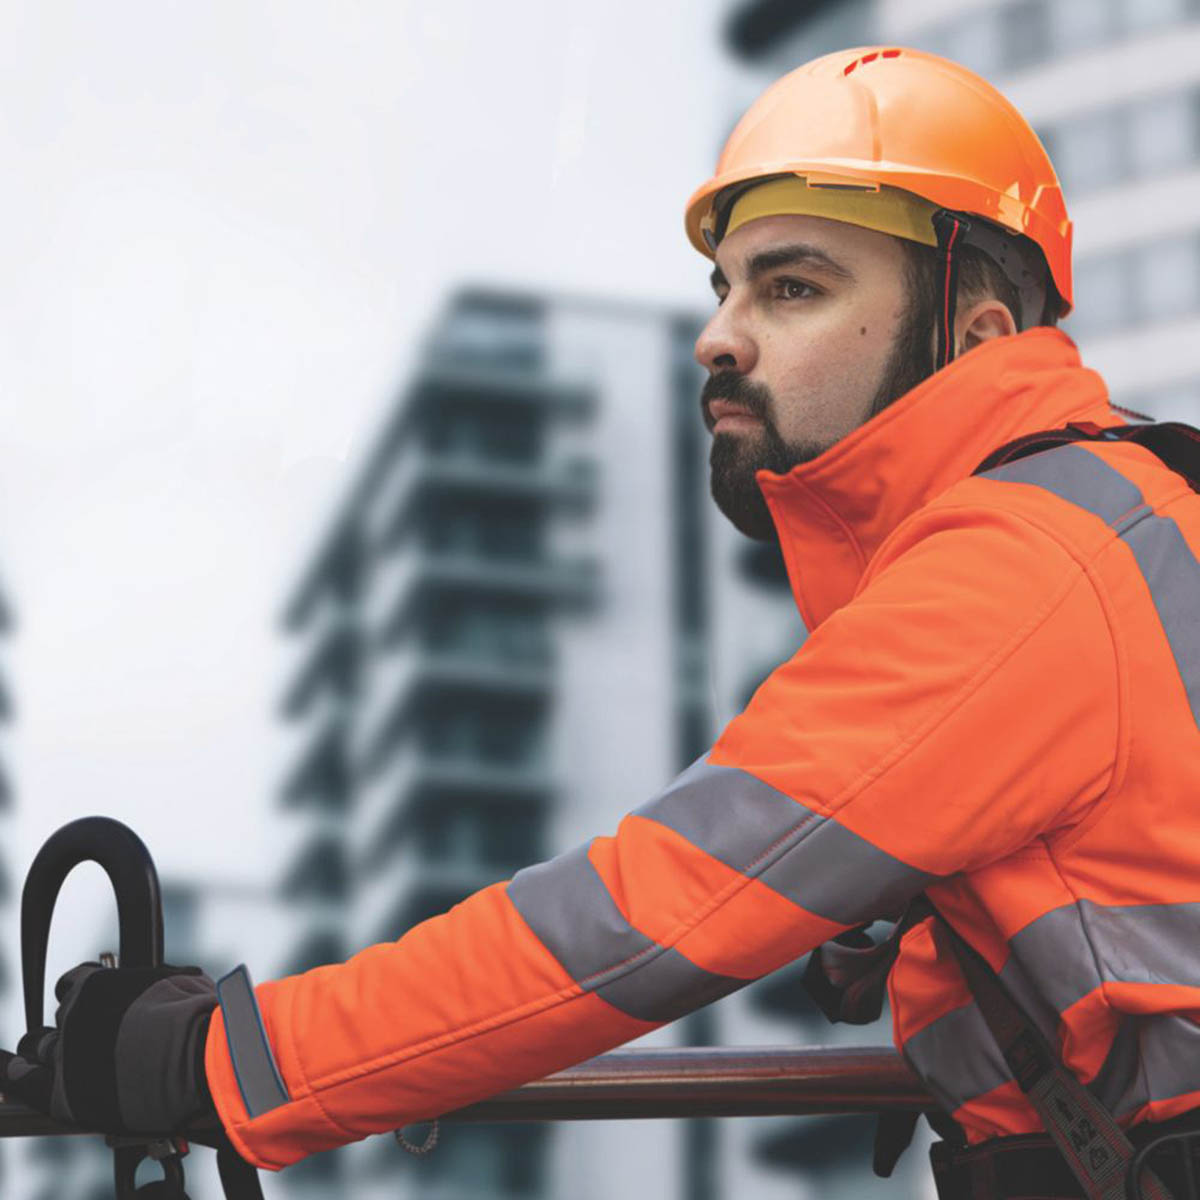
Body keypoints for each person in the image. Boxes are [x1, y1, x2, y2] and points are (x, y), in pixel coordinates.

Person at [5, 46, 1200, 1200]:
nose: (719, 334)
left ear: (975, 334)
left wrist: (219, 1060)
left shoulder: (1023, 565)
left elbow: (643, 914)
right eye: (725, 288)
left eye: (794, 287)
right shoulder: (1129, 514)